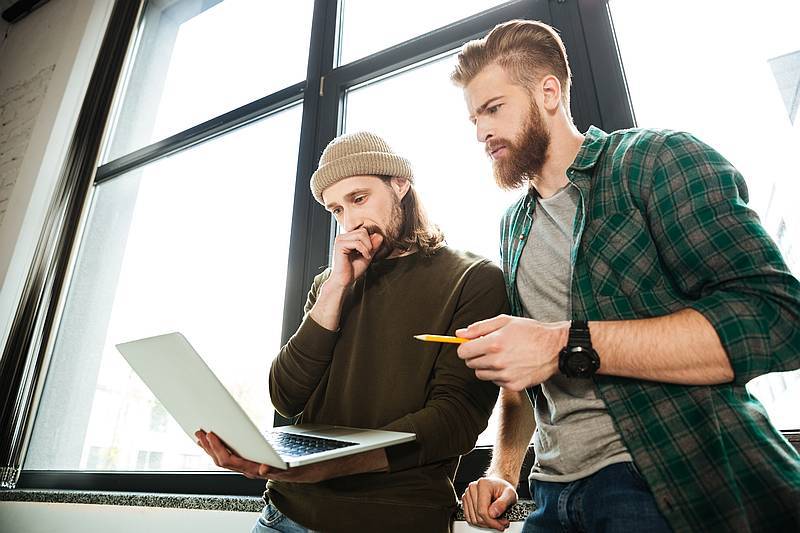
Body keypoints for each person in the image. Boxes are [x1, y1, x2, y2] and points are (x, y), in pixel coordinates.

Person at [450, 19, 800, 533]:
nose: (481, 132)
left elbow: (775, 319)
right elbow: (524, 386)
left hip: (660, 477)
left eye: (493, 109)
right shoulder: (513, 226)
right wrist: (503, 471)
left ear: (549, 92)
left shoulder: (654, 160)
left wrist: (563, 343)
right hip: (550, 493)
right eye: (473, 119)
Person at [196, 131, 509, 533]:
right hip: (284, 515)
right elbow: (286, 397)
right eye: (336, 210)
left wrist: (327, 467)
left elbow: (455, 420)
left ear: (400, 185)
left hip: (391, 520)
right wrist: (335, 289)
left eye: (359, 199)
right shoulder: (329, 284)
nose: (350, 221)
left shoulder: (473, 279)